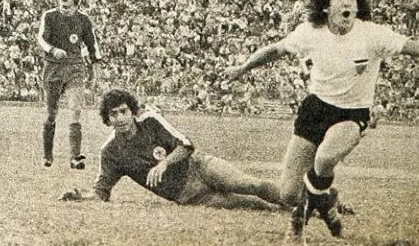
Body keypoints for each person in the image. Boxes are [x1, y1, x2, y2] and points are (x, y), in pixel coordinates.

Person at [224, 0, 419, 242]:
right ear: (325, 6)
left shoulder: (372, 34)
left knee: (325, 159)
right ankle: (327, 199)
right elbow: (274, 50)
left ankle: (297, 223)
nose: (347, 3)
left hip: (351, 113)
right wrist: (241, 68)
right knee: (287, 192)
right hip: (315, 108)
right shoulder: (310, 32)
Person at [58, 89, 284, 210]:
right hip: (188, 195)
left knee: (250, 184)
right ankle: (292, 212)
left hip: (200, 166)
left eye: (123, 111)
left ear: (132, 111)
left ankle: (300, 201)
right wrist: (81, 197)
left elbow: (186, 145)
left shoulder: (151, 121)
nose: (120, 118)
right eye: (113, 114)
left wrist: (164, 163)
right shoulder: (110, 151)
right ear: (107, 119)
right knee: (250, 205)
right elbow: (101, 192)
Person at [37, 0, 102, 169]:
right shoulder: (49, 16)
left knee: (75, 110)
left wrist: (96, 70)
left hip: (74, 68)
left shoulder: (83, 19)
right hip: (53, 68)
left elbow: (93, 45)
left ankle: (75, 157)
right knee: (51, 114)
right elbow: (41, 38)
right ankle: (47, 155)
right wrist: (52, 49)